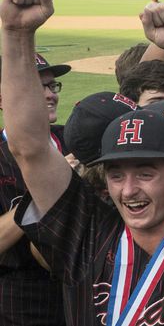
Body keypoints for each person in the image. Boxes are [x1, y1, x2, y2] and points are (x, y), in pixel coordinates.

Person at [3, 0, 164, 324]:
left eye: (145, 172)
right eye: (116, 174)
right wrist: (16, 34)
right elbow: (30, 148)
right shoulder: (86, 234)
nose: (128, 189)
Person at [0, 53, 71, 325]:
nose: (50, 94)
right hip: (21, 301)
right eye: (37, 86)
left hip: (82, 291)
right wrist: (49, 188)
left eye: (52, 86)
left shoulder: (75, 140)